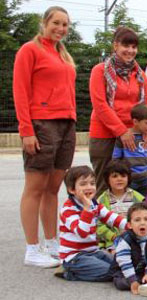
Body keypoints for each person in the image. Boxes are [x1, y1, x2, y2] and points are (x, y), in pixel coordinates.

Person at [13, 6, 77, 267]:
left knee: (53, 189)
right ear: (45, 23)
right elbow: (20, 90)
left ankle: (52, 242)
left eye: (65, 25)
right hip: (42, 124)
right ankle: (32, 249)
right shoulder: (30, 50)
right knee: (35, 188)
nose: (61, 29)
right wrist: (26, 130)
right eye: (56, 23)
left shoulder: (63, 54)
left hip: (66, 124)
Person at [89, 26, 147, 194]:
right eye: (126, 46)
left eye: (134, 47)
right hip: (105, 135)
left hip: (134, 136)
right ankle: (103, 220)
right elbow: (100, 105)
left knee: (133, 187)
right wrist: (121, 131)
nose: (130, 50)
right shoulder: (100, 71)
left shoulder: (139, 74)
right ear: (115, 46)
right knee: (105, 186)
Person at [58, 166, 127, 281]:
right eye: (83, 184)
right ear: (72, 190)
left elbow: (110, 217)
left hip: (93, 251)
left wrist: (129, 224)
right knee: (110, 272)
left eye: (92, 183)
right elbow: (82, 233)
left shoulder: (94, 204)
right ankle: (69, 272)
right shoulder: (68, 209)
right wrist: (87, 209)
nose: (89, 187)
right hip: (75, 256)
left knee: (121, 264)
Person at [112, 203, 147, 298]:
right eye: (137, 220)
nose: (142, 223)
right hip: (125, 270)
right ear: (129, 225)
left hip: (143, 269)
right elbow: (124, 262)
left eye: (146, 219)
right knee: (119, 282)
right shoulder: (125, 240)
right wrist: (132, 280)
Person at [96, 161, 144, 250]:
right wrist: (113, 236)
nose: (119, 179)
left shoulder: (138, 198)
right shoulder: (101, 200)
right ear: (107, 179)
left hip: (135, 240)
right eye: (115, 176)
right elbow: (98, 225)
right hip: (112, 242)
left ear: (128, 178)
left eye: (123, 176)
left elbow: (144, 218)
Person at [112, 104, 147, 196]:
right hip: (129, 180)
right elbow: (116, 159)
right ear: (135, 121)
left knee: (145, 205)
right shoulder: (124, 137)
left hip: (145, 179)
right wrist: (123, 175)